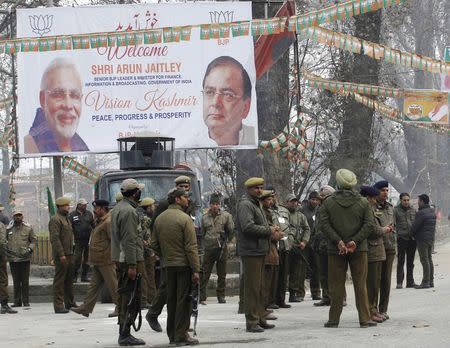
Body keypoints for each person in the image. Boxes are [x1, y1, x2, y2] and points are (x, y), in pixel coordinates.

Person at [320, 168, 376, 328]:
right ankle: (364, 318)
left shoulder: (328, 202)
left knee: (336, 285)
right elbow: (369, 224)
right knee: (360, 284)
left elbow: (324, 224)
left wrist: (338, 241)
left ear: (337, 183)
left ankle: (333, 319)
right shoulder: (363, 202)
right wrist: (355, 241)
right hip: (358, 249)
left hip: (335, 249)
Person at [146, 175, 195, 333]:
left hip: (179, 249)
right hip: (170, 252)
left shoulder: (189, 202)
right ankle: (155, 315)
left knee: (171, 290)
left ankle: (176, 326)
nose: (185, 189)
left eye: (187, 186)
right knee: (169, 289)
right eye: (182, 186)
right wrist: (161, 251)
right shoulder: (165, 204)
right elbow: (156, 226)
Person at [236, 177, 282, 333]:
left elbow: (260, 225)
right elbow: (248, 227)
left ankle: (260, 318)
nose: (259, 190)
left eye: (261, 187)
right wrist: (269, 231)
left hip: (260, 250)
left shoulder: (256, 204)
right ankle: (252, 321)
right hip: (251, 251)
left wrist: (271, 228)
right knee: (253, 288)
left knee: (261, 288)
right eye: (256, 188)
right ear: (249, 189)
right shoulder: (245, 205)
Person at [23, 57, 89, 153]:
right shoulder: (30, 145)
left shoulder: (82, 147)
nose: (68, 105)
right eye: (58, 94)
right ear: (42, 99)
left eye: (74, 95)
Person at [111, 178, 146, 346]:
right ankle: (125, 334)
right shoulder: (129, 212)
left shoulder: (119, 208)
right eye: (139, 190)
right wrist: (132, 265)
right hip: (129, 260)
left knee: (125, 296)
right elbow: (130, 240)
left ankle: (124, 331)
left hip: (121, 259)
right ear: (135, 193)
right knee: (131, 297)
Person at [71, 200, 118, 318]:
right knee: (93, 286)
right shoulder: (99, 221)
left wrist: (113, 257)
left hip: (106, 260)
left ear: (103, 209)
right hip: (98, 260)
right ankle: (86, 308)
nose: (94, 211)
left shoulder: (108, 222)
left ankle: (121, 307)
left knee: (113, 285)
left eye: (96, 208)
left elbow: (113, 241)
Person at [202, 56, 255, 146]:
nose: (215, 103)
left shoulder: (256, 139)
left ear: (246, 107)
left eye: (228, 95)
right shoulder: (188, 144)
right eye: (210, 92)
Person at [200, 193, 234, 304]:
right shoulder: (204, 217)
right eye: (213, 204)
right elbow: (203, 233)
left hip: (222, 248)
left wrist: (227, 240)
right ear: (210, 205)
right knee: (205, 272)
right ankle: (202, 295)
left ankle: (221, 295)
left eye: (217, 204)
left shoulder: (226, 216)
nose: (215, 206)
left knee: (222, 274)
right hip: (209, 249)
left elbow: (231, 231)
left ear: (219, 205)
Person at [360, 186, 386, 323]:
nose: (375, 201)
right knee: (371, 283)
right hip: (372, 250)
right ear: (368, 198)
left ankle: (373, 309)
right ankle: (370, 311)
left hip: (377, 250)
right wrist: (384, 229)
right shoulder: (367, 210)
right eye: (374, 198)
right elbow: (372, 230)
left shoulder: (371, 209)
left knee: (375, 283)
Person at [49, 196, 77, 314]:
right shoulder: (56, 220)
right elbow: (55, 239)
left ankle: (69, 302)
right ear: (60, 207)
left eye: (68, 206)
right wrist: (61, 254)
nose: (68, 208)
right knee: (60, 280)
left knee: (69, 280)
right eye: (66, 206)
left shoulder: (66, 219)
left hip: (69, 253)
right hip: (62, 255)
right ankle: (58, 305)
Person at [373, 180, 395, 321]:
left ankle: (383, 309)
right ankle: (373, 310)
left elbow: (394, 224)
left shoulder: (390, 207)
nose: (385, 193)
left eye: (387, 190)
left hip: (390, 247)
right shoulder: (371, 207)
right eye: (383, 190)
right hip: (376, 247)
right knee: (375, 280)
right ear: (376, 191)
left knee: (386, 280)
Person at [6, 211, 36, 307]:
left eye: (20, 215)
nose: (18, 217)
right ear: (13, 217)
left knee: (25, 280)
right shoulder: (9, 229)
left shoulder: (28, 228)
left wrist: (30, 249)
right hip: (13, 258)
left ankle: (26, 301)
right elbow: (4, 240)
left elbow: (34, 240)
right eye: (16, 216)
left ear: (22, 216)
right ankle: (17, 301)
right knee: (16, 280)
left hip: (24, 258)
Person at [312, 185, 335, 307]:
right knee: (323, 272)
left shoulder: (334, 207)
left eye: (323, 197)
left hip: (331, 243)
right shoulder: (319, 208)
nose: (321, 199)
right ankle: (326, 297)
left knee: (335, 272)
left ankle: (339, 298)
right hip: (320, 243)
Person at [260, 190, 283, 311]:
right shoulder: (262, 213)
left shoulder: (270, 212)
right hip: (267, 251)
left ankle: (268, 303)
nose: (271, 201)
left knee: (271, 281)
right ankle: (264, 306)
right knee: (265, 282)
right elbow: (268, 231)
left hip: (273, 251)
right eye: (268, 199)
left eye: (272, 199)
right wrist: (276, 233)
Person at [286, 194, 310, 303]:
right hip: (286, 247)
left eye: (296, 201)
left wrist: (304, 241)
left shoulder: (301, 216)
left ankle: (293, 294)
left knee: (296, 272)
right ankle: (279, 296)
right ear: (287, 202)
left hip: (297, 247)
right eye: (292, 201)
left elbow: (307, 229)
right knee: (284, 271)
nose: (294, 203)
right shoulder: (283, 214)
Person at [270, 189, 291, 309]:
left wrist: (291, 241)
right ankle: (271, 300)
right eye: (270, 196)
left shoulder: (284, 210)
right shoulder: (266, 211)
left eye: (274, 196)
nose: (272, 199)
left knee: (283, 275)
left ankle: (281, 299)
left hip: (285, 245)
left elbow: (290, 227)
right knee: (274, 276)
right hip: (274, 246)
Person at [411, 194, 437, 289]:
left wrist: (412, 234)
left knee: (424, 260)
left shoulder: (421, 213)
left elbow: (414, 227)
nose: (417, 202)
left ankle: (425, 282)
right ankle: (431, 281)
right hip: (430, 239)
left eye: (418, 201)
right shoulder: (432, 211)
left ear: (422, 201)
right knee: (429, 259)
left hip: (422, 239)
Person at [300, 191, 321, 301]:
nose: (315, 202)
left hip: (315, 242)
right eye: (313, 199)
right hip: (304, 241)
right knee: (301, 267)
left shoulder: (319, 210)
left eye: (317, 200)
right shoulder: (302, 210)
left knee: (315, 267)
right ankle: (299, 293)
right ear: (309, 200)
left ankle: (316, 292)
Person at [137, 197, 157, 308]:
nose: (154, 207)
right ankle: (147, 300)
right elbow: (145, 238)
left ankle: (149, 299)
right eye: (153, 205)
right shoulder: (145, 219)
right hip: (146, 252)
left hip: (146, 251)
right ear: (149, 207)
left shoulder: (144, 217)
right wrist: (151, 250)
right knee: (147, 276)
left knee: (148, 276)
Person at [394, 193, 417, 288]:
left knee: (410, 262)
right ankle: (399, 282)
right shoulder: (395, 210)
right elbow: (393, 224)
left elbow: (416, 223)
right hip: (402, 239)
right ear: (401, 200)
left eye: (408, 200)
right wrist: (397, 236)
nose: (406, 202)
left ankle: (410, 282)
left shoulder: (413, 210)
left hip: (412, 239)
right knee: (401, 261)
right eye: (404, 200)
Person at [69, 198, 95, 283]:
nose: (85, 206)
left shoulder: (89, 214)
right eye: (83, 205)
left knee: (87, 260)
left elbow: (94, 225)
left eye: (85, 205)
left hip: (87, 240)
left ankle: (84, 276)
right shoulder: (72, 215)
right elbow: (69, 228)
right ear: (79, 205)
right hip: (77, 241)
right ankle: (74, 276)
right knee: (77, 259)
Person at [0, 220, 17, 314]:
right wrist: (4, 256)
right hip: (0, 256)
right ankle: (4, 305)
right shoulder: (1, 225)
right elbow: (2, 242)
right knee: (3, 280)